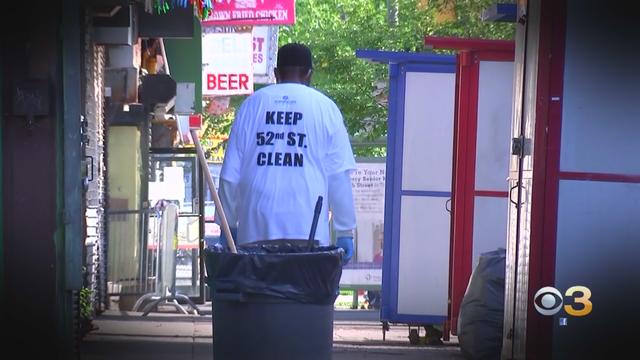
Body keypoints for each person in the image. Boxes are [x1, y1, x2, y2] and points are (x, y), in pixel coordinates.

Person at [215, 43, 356, 264]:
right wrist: (345, 231)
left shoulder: (251, 107)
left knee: (259, 296)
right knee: (304, 297)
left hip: (255, 234)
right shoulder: (325, 109)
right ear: (309, 74)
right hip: (308, 237)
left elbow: (229, 176)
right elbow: (338, 177)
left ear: (276, 73)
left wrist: (228, 225)